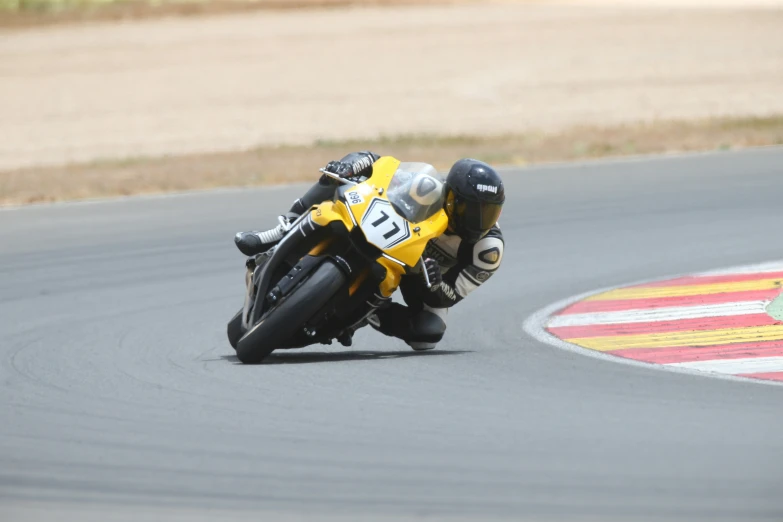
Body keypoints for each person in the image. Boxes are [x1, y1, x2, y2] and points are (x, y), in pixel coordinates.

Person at [234, 152, 505, 351]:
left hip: (423, 281)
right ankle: (283, 228)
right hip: (392, 241)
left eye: (489, 213)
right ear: (450, 196)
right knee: (335, 175)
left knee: (427, 334)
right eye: (470, 210)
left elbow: (451, 296)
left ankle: (372, 312)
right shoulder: (426, 189)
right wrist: (353, 164)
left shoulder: (487, 250)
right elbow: (380, 165)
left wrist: (433, 284)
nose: (479, 221)